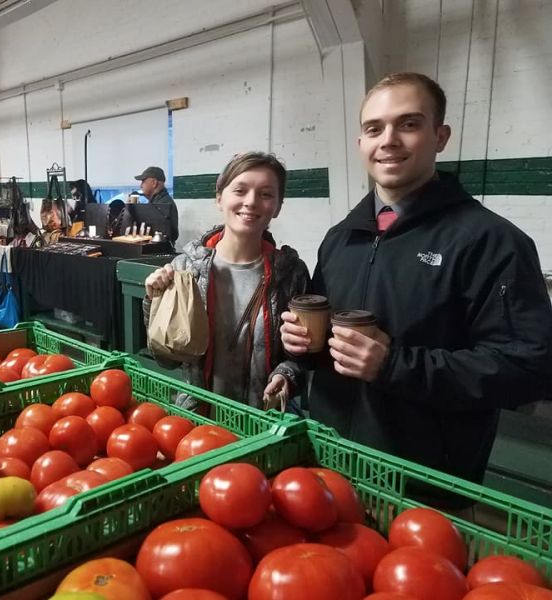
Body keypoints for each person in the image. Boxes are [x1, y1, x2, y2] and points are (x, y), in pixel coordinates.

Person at [280, 72, 552, 504]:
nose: (388, 140)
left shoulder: (490, 242)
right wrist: (301, 346)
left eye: (408, 124)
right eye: (374, 128)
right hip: (330, 466)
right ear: (361, 144)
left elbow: (528, 368)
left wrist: (395, 365)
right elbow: (327, 338)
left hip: (426, 486)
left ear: (440, 136)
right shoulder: (341, 237)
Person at [144, 152, 309, 411]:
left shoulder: (291, 274)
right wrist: (153, 301)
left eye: (266, 194)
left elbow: (302, 357)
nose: (251, 202)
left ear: (277, 206)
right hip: (198, 422)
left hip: (263, 423)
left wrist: (285, 374)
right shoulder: (186, 271)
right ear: (220, 197)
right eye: (240, 190)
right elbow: (167, 359)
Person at [134, 166, 179, 243]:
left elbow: (170, 235)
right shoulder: (156, 202)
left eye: (143, 181)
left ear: (154, 183)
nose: (141, 186)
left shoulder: (163, 205)